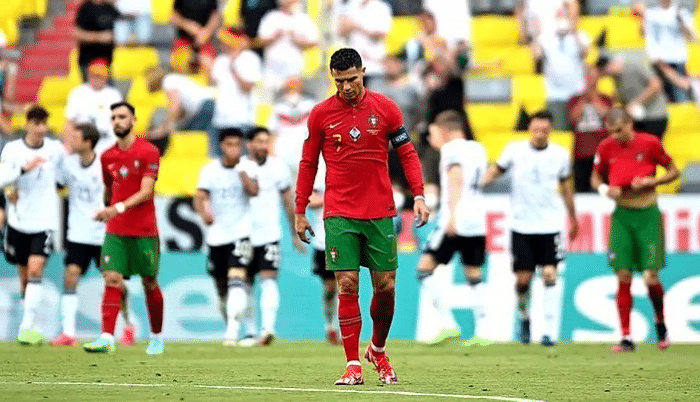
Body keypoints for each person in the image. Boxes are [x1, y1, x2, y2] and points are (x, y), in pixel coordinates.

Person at [295, 48, 429, 385]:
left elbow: (408, 154)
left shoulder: (386, 108)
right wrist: (300, 209)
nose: (346, 87)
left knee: (386, 287)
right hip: (339, 212)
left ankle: (378, 350)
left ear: (363, 72)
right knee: (347, 283)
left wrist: (419, 195)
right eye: (339, 81)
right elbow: (308, 163)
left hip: (379, 211)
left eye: (352, 79)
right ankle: (352, 363)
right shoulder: (320, 114)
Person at [482, 110, 578, 347]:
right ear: (529, 129)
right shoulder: (514, 150)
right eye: (535, 129)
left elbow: (566, 188)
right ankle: (524, 317)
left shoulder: (560, 155)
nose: (539, 134)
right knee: (523, 280)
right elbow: (495, 171)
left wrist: (573, 217)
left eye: (544, 130)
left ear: (550, 130)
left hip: (551, 225)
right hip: (521, 225)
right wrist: (477, 184)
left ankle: (549, 331)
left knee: (549, 274)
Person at [590, 107, 679, 353]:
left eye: (619, 131)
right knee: (623, 276)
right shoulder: (606, 147)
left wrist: (654, 181)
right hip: (622, 216)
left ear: (630, 124)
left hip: (648, 214)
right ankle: (626, 337)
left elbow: (674, 171)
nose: (615, 136)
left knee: (650, 277)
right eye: (611, 132)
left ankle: (660, 323)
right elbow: (595, 178)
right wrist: (604, 190)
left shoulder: (650, 143)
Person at [83, 102, 164, 355]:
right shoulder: (107, 156)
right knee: (112, 279)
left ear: (133, 120)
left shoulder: (149, 151)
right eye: (114, 117)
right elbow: (109, 189)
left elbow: (146, 191)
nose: (117, 121)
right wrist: (106, 209)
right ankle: (107, 337)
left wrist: (115, 208)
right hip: (116, 230)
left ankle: (156, 337)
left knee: (149, 282)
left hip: (144, 230)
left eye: (122, 116)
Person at [50, 124, 135, 347]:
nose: (71, 140)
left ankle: (128, 323)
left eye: (76, 137)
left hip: (104, 233)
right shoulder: (68, 163)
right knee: (71, 275)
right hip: (78, 232)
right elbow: (56, 186)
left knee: (115, 281)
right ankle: (68, 333)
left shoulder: (104, 165)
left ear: (88, 142)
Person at [416, 110, 489, 346]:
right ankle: (483, 332)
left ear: (444, 130)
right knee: (473, 273)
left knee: (424, 268)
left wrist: (454, 216)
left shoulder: (451, 150)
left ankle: (448, 323)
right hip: (477, 219)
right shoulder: (478, 148)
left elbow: (455, 178)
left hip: (455, 218)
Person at [0, 106, 65, 345]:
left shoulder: (55, 150)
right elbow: (2, 179)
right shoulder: (13, 150)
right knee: (25, 277)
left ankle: (26, 326)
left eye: (43, 123)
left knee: (36, 269)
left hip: (44, 221)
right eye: (36, 123)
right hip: (19, 221)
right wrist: (22, 172)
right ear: (27, 124)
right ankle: (31, 323)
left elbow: (64, 175)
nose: (40, 128)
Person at [193, 128, 259, 346]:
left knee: (237, 278)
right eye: (229, 144)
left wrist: (241, 172)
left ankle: (233, 329)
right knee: (221, 287)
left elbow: (254, 191)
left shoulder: (248, 167)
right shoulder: (210, 170)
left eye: (237, 145)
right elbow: (199, 196)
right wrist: (204, 214)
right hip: (217, 236)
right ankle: (231, 324)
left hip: (241, 233)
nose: (234, 149)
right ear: (221, 146)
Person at [242, 127, 305, 346]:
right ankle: (250, 332)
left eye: (266, 141)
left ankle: (268, 329)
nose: (264, 146)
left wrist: (294, 233)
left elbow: (288, 201)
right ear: (249, 143)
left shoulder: (278, 167)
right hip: (243, 234)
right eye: (259, 141)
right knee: (245, 283)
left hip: (269, 233)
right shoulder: (240, 167)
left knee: (269, 278)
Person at [531, 8, 589, 131]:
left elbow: (585, 52)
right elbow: (536, 56)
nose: (562, 18)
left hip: (577, 92)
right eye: (559, 15)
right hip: (555, 94)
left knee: (579, 131)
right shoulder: (545, 37)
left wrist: (574, 31)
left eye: (565, 15)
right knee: (559, 132)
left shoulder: (581, 35)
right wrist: (536, 34)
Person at [210, 28, 262, 147]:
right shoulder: (220, 59)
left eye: (223, 41)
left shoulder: (250, 58)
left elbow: (247, 87)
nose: (221, 45)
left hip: (242, 120)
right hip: (220, 121)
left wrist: (234, 69)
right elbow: (213, 83)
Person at [307, 159, 341, 344]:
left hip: (346, 238)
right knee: (329, 288)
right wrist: (329, 198)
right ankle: (330, 326)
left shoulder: (351, 166)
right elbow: (309, 199)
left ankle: (345, 329)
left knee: (346, 285)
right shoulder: (319, 171)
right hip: (323, 240)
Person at [145, 67, 215, 155]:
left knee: (188, 135)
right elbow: (182, 111)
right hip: (208, 107)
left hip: (206, 108)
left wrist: (163, 129)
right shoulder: (174, 79)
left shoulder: (168, 81)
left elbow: (175, 108)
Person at [596, 56, 668, 140]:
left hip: (654, 117)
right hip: (637, 119)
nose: (606, 76)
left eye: (604, 72)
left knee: (650, 145)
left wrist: (636, 103)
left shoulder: (634, 67)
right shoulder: (616, 79)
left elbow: (656, 85)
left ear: (609, 66)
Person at [567, 66, 614, 192]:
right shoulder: (574, 99)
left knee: (603, 190)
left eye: (593, 77)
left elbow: (609, 116)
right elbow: (573, 118)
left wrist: (594, 99)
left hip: (602, 152)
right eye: (588, 77)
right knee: (581, 191)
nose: (591, 80)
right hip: (581, 152)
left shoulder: (606, 99)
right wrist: (584, 100)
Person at [642, 0, 698, 103]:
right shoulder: (651, 13)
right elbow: (644, 33)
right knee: (662, 97)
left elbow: (692, 36)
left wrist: (680, 19)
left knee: (680, 97)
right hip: (658, 60)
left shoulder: (681, 12)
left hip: (677, 59)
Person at [64, 58, 123, 154]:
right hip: (84, 143)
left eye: (100, 76)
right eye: (94, 75)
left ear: (106, 77)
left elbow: (121, 122)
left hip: (108, 143)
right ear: (88, 75)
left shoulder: (114, 95)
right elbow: (69, 122)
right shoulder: (77, 93)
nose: (97, 79)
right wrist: (68, 146)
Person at [257, 0, 319, 91]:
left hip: (294, 71)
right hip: (271, 71)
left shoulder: (303, 19)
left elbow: (313, 42)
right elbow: (261, 40)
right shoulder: (271, 17)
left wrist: (296, 39)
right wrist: (275, 36)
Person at [269, 77, 316, 179]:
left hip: (305, 148)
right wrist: (271, 151)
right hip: (283, 149)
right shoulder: (278, 107)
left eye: (295, 85)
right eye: (290, 86)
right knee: (285, 180)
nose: (293, 89)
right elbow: (272, 131)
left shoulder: (311, 104)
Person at [338, 0, 393, 87]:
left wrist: (357, 26)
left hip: (374, 66)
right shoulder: (351, 6)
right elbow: (341, 31)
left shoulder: (381, 7)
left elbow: (382, 33)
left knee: (372, 94)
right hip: (353, 67)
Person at [74, 0, 120, 81]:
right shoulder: (86, 8)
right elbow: (76, 33)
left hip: (107, 61)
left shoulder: (110, 8)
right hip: (89, 61)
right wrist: (99, 37)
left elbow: (121, 25)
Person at [170, 0, 221, 74]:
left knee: (208, 66)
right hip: (184, 38)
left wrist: (207, 31)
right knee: (179, 65)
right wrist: (187, 25)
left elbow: (216, 16)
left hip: (205, 40)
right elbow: (173, 16)